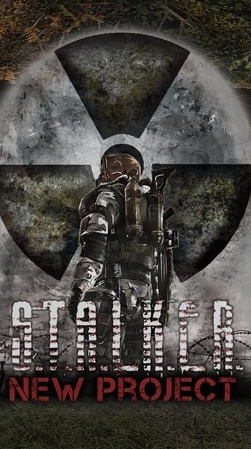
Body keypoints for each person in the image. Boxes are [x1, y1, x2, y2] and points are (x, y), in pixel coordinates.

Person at [68, 145, 177, 366]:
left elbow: (95, 242)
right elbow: (163, 267)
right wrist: (161, 310)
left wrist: (79, 288)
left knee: (102, 363)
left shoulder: (109, 195)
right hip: (145, 296)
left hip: (111, 291)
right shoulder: (152, 205)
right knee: (135, 365)